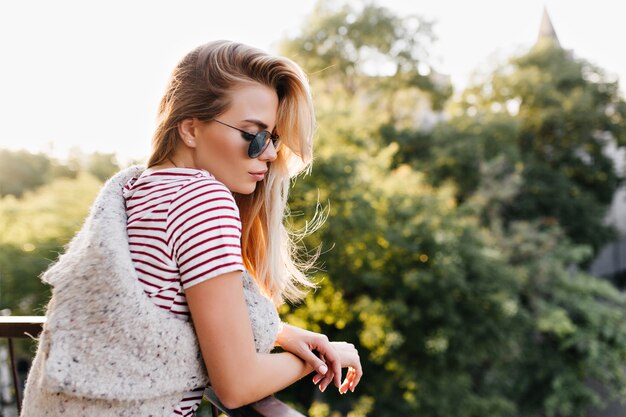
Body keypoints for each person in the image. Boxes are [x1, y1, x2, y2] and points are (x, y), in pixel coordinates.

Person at [19, 40, 362, 417]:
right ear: (190, 130)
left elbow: (164, 308)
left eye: (274, 139)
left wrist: (284, 334)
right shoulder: (202, 197)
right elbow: (237, 384)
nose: (268, 154)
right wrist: (329, 357)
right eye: (255, 135)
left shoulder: (135, 190)